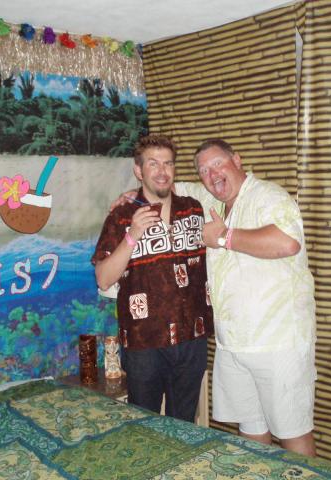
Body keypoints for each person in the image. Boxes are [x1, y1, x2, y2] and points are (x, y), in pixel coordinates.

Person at [174, 139, 317, 456]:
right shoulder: (209, 198)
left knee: (293, 434)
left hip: (278, 343)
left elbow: (287, 242)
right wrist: (132, 195)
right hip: (234, 344)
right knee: (251, 434)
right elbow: (169, 186)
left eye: (218, 164)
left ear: (237, 160)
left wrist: (224, 237)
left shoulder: (268, 196)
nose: (212, 175)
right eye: (203, 171)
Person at [92, 134, 213, 423]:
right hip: (144, 341)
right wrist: (132, 235)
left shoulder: (194, 208)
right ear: (139, 170)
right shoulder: (122, 216)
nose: (162, 171)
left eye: (168, 163)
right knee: (144, 424)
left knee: (184, 423)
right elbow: (103, 279)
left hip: (192, 337)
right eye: (153, 163)